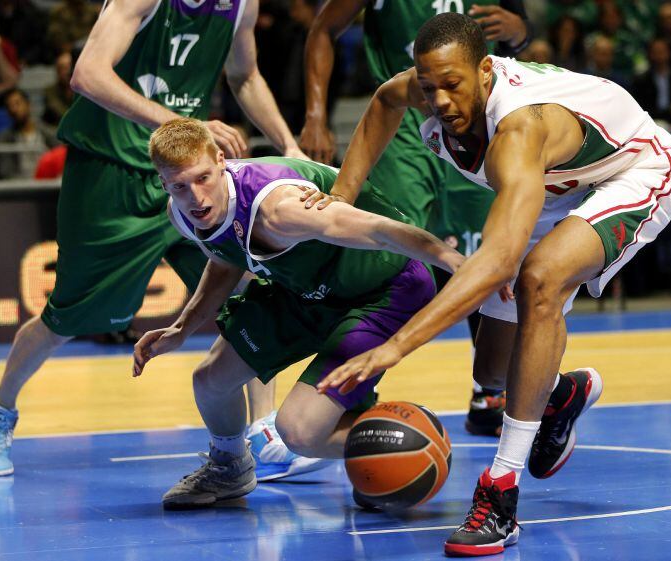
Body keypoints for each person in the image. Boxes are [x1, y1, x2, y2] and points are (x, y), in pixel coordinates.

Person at [315, 13, 671, 555]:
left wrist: (394, 349)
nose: (438, 100)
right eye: (429, 86)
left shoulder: (518, 128)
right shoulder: (426, 87)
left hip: (631, 169)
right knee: (491, 372)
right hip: (554, 186)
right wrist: (341, 196)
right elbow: (383, 103)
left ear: (485, 71)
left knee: (539, 280)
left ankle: (500, 492)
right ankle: (559, 393)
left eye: (452, 85)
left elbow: (496, 262)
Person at [0, 0, 311, 482]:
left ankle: (264, 433)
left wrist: (289, 144)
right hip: (113, 171)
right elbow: (87, 73)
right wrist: (180, 125)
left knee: (247, 293)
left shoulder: (242, 5)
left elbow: (247, 76)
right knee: (70, 315)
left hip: (192, 176)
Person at [133, 117, 464, 509]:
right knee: (210, 381)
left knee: (300, 432)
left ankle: (412, 440)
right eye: (179, 186)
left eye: (203, 178)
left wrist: (460, 265)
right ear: (164, 183)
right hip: (306, 289)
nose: (196, 196)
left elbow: (382, 231)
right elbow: (224, 259)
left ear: (221, 160)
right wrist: (183, 327)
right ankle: (230, 468)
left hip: (383, 288)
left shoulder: (280, 209)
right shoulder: (184, 212)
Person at [301, 0, 531, 437]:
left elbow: (523, 36)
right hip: (410, 116)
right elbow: (322, 30)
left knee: (486, 252)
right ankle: (341, 392)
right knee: (380, 253)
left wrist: (518, 30)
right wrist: (316, 113)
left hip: (478, 113)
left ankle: (490, 393)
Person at [0, 88, 60, 179]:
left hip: (48, 184)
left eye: (17, 103)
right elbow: (6, 171)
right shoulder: (4, 138)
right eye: (9, 106)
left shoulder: (48, 133)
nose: (14, 109)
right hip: (20, 188)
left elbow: (60, 159)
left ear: (28, 105)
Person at [632, 38, 671, 124]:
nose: (659, 55)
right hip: (650, 123)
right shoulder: (641, 80)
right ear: (649, 54)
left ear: (669, 53)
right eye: (655, 52)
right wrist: (670, 111)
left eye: (662, 51)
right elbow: (641, 111)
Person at [42, 52, 75, 127]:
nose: (68, 72)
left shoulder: (82, 90)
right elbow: (59, 112)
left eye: (70, 67)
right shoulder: (50, 92)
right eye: (64, 68)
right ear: (57, 72)